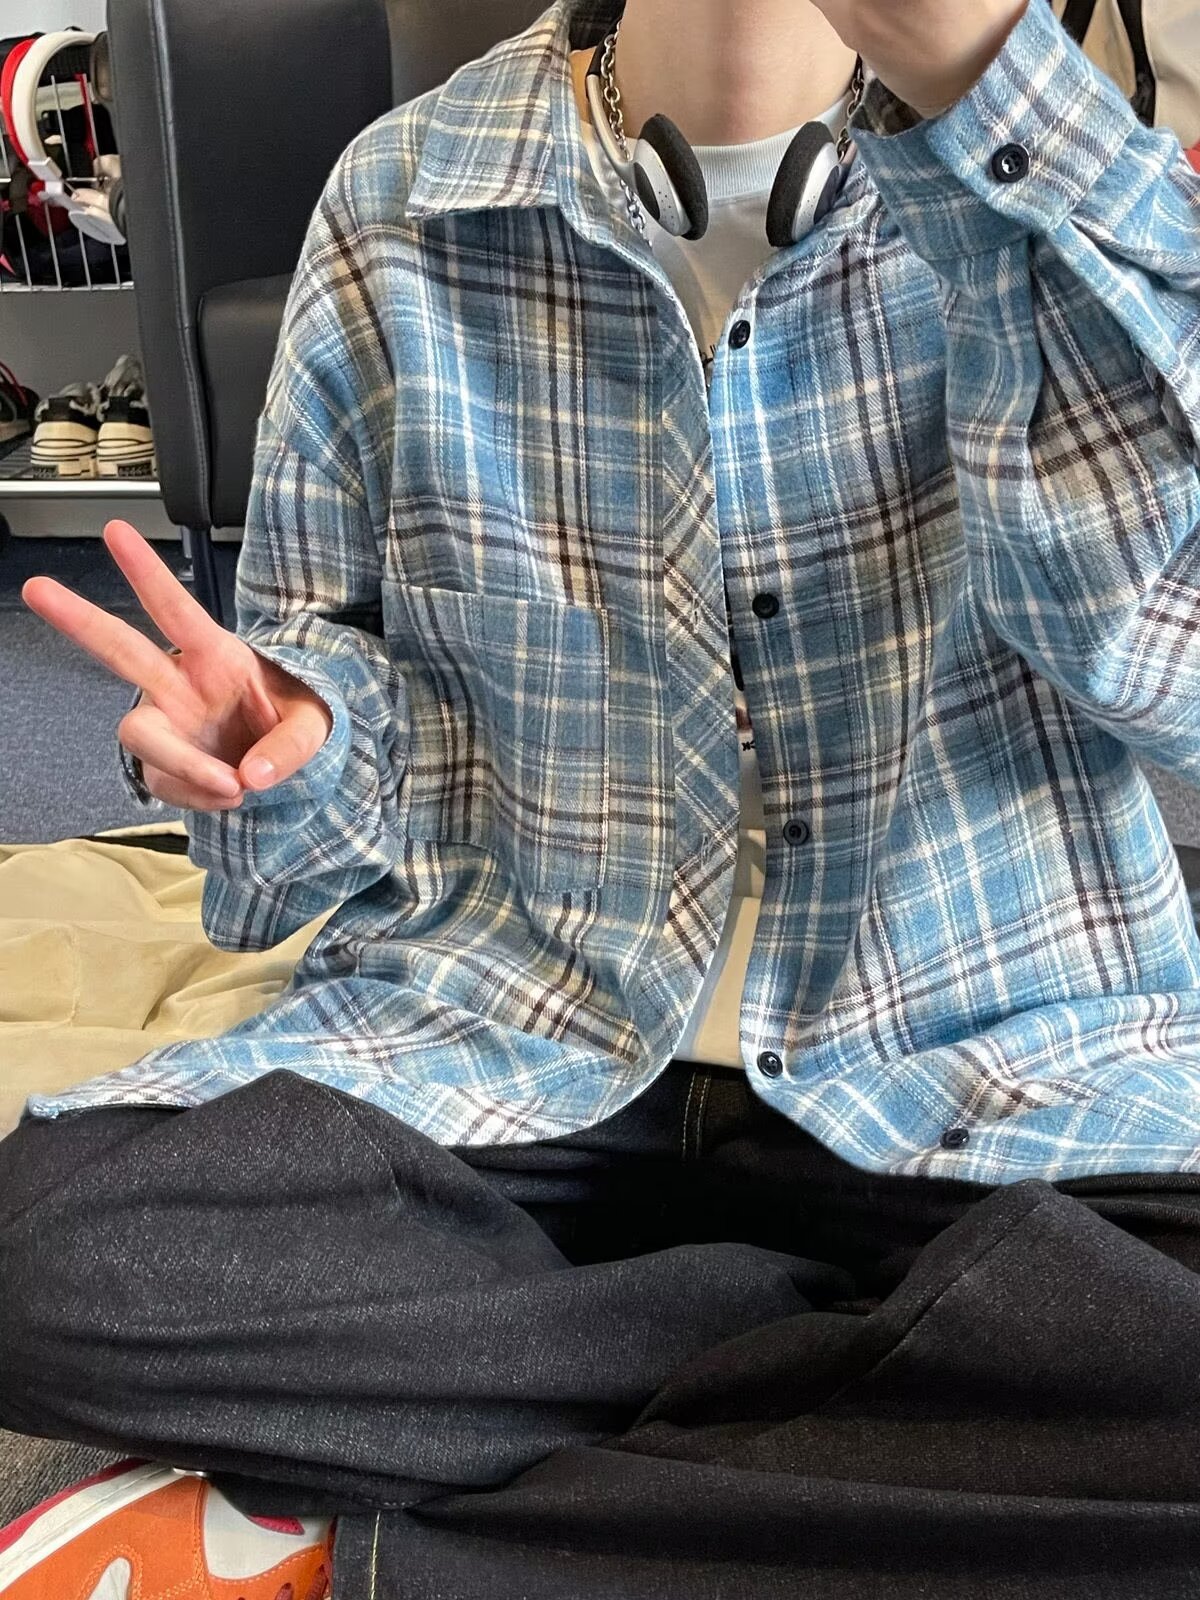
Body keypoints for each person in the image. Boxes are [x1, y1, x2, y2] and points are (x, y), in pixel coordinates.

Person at [4, 0, 1200, 1593]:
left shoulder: (1084, 182)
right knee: (52, 1264)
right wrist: (293, 751)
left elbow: (1168, 674)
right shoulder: (405, 195)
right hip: (522, 1048)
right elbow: (327, 802)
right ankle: (897, 1369)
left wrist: (990, 107)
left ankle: (415, 1550)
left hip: (981, 1059)